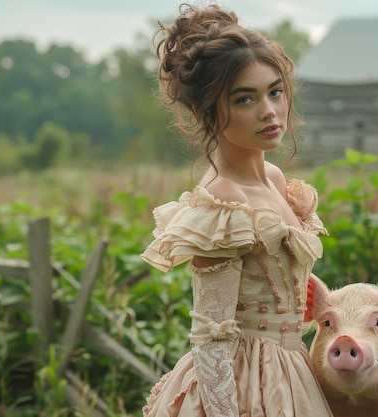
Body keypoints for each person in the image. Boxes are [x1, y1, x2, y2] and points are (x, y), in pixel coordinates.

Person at [140, 3, 334, 417]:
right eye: (245, 98)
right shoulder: (223, 204)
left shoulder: (280, 182)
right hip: (243, 385)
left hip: (293, 372)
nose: (269, 111)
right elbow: (211, 339)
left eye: (275, 91)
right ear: (205, 111)